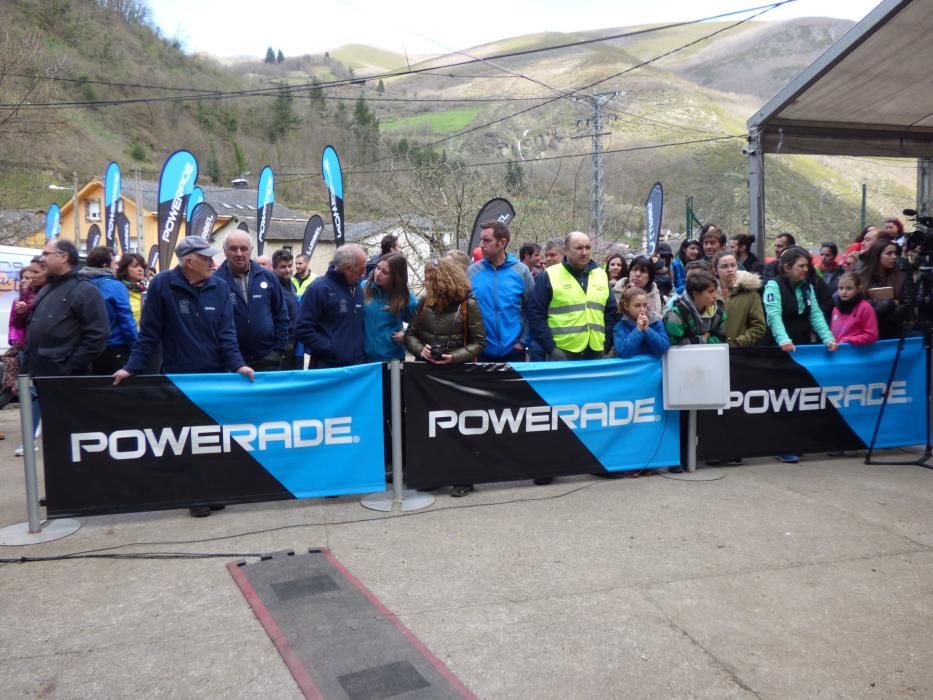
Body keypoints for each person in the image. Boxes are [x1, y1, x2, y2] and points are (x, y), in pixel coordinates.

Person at [114, 237, 254, 516]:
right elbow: (149, 333)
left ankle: (213, 489)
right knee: (187, 439)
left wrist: (238, 365)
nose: (213, 263)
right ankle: (195, 494)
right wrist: (131, 367)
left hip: (214, 377)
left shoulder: (220, 286)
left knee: (214, 437)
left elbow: (227, 335)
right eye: (206, 258)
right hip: (180, 377)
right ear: (189, 261)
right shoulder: (163, 285)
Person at [405, 257, 485, 497]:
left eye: (430, 279)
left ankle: (464, 478)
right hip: (427, 375)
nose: (426, 283)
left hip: (458, 375)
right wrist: (421, 350)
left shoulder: (467, 305)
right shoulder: (423, 304)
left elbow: (479, 343)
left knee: (459, 427)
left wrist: (454, 357)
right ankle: (435, 475)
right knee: (431, 427)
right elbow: (410, 335)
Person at [22, 240, 109, 457]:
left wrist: (69, 367)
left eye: (46, 253)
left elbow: (97, 335)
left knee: (72, 437)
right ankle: (59, 488)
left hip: (67, 379)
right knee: (55, 439)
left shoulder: (85, 290)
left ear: (63, 257)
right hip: (43, 377)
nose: (42, 258)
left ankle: (77, 486)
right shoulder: (48, 288)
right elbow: (34, 330)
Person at [763, 247, 837, 464]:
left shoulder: (807, 287)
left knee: (799, 398)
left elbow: (815, 314)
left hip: (802, 349)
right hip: (778, 351)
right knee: (781, 399)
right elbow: (773, 315)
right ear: (787, 268)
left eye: (807, 265)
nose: (807, 270)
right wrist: (783, 340)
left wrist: (828, 338)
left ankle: (796, 441)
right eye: (801, 266)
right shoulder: (773, 285)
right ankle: (780, 445)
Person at [528, 231, 616, 362]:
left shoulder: (601, 275)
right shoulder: (548, 276)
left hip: (595, 352)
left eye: (588, 247)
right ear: (566, 250)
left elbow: (611, 312)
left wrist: (606, 343)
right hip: (562, 352)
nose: (584, 252)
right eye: (579, 248)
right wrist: (551, 348)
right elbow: (535, 314)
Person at [213, 230, 289, 372]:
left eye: (244, 248)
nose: (239, 253)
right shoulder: (215, 281)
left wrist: (278, 350)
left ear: (251, 250)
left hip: (268, 359)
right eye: (233, 248)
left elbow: (281, 314)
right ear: (224, 251)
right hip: (231, 363)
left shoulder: (268, 277)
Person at [468, 221, 534, 362]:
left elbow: (533, 310)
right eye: (481, 240)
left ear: (502, 242)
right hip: (481, 352)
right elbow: (465, 312)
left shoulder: (521, 271)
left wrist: (523, 342)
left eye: (486, 240)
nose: (481, 245)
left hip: (514, 351)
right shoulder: (472, 272)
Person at [295, 244, 367, 368]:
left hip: (356, 368)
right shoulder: (319, 289)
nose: (364, 273)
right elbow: (302, 328)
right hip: (327, 368)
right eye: (361, 269)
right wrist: (330, 348)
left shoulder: (358, 289)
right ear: (348, 268)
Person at [79, 246, 138, 375]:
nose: (117, 267)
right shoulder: (115, 286)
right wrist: (137, 350)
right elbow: (126, 320)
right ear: (105, 265)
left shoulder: (78, 284)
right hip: (114, 349)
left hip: (84, 351)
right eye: (114, 263)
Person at [363, 252, 417, 362]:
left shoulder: (405, 296)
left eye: (385, 272)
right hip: (364, 359)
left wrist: (406, 335)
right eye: (378, 268)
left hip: (391, 360)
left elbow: (421, 323)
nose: (378, 273)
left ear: (396, 277)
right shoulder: (363, 288)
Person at [860, 239, 915, 339]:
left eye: (895, 253)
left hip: (894, 332)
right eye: (889, 253)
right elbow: (861, 304)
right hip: (868, 332)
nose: (894, 257)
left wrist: (884, 316)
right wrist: (891, 303)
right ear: (877, 255)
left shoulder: (902, 277)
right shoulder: (862, 278)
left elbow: (907, 305)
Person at [713, 250, 766, 347]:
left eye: (733, 265)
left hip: (740, 352)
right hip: (714, 349)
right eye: (724, 266)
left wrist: (738, 342)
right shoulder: (709, 292)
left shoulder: (750, 293)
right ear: (715, 270)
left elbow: (759, 327)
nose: (730, 269)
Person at [663, 271, 727, 345]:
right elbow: (675, 344)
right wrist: (702, 339)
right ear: (695, 293)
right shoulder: (676, 315)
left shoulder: (718, 312)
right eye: (710, 291)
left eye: (715, 290)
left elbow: (721, 337)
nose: (715, 296)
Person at [613, 286, 670, 359]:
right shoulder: (620, 327)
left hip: (654, 368)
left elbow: (663, 348)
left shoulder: (656, 322)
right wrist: (638, 330)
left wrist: (647, 330)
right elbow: (624, 352)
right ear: (626, 306)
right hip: (632, 368)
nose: (642, 309)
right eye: (637, 306)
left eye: (645, 305)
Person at [831, 272, 879, 345]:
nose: (844, 292)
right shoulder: (836, 309)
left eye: (849, 288)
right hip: (838, 353)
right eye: (840, 288)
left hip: (856, 353)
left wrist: (848, 340)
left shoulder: (865, 308)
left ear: (858, 289)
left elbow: (872, 335)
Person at [272, 248, 300, 369]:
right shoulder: (272, 287)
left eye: (290, 266)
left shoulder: (291, 284)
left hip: (293, 341)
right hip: (280, 344)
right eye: (283, 267)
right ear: (274, 268)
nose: (288, 270)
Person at [612, 255, 663, 324]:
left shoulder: (654, 296)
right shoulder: (616, 292)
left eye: (643, 271)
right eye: (634, 270)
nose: (637, 274)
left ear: (650, 277)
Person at [115, 253, 148, 328]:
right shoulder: (119, 290)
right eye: (135, 266)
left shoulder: (139, 290)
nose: (140, 269)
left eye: (142, 266)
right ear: (125, 269)